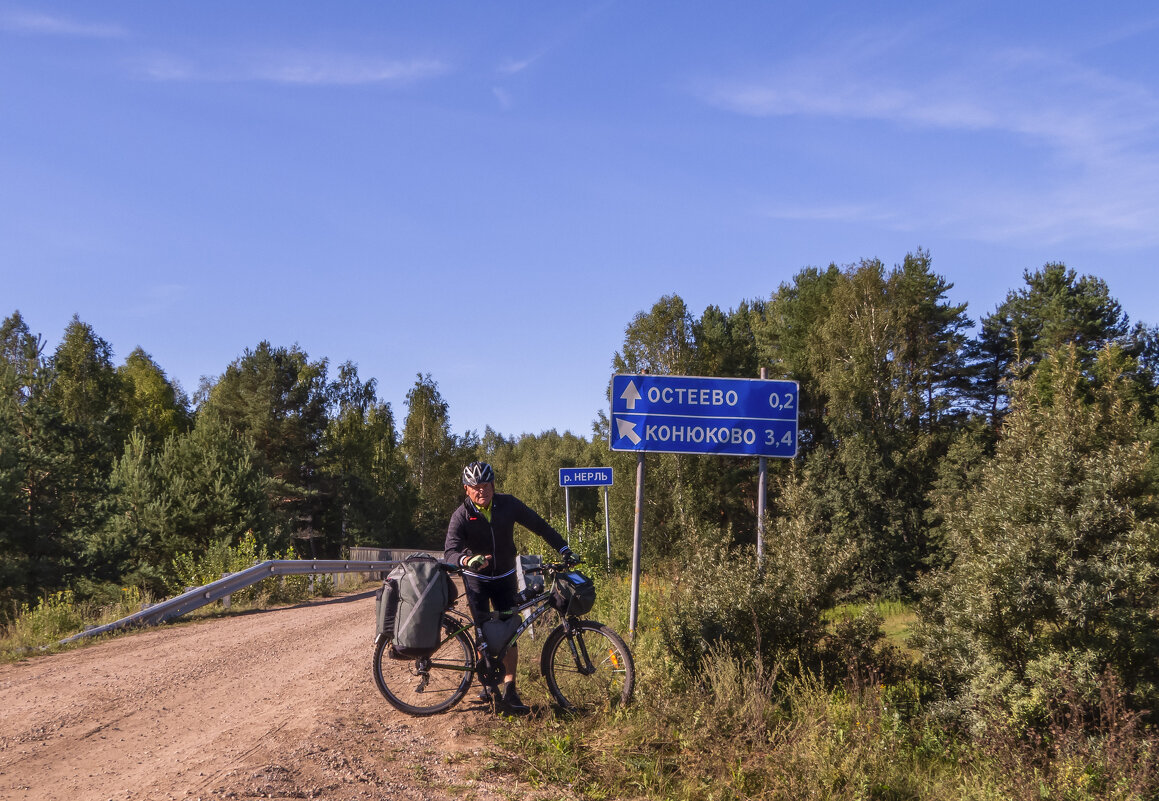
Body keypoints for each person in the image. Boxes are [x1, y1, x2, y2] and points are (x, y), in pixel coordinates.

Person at [444, 461, 575, 714]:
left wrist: (563, 548)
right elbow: (450, 550)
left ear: (493, 486)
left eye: (485, 485)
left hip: (504, 577)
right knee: (482, 632)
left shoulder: (509, 504)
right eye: (475, 487)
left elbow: (540, 526)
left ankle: (510, 690)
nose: (481, 491)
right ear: (466, 489)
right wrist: (466, 560)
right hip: (476, 580)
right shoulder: (461, 515)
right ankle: (488, 684)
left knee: (510, 633)